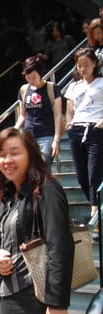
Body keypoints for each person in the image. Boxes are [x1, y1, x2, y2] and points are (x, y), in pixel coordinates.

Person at [0, 128, 74, 314]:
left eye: (15, 152)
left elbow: (59, 246)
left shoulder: (46, 189)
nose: (7, 160)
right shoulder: (5, 196)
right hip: (6, 298)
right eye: (2, 155)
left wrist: (57, 304)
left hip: (35, 299)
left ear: (31, 154)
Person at [64, 47, 103, 219]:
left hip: (95, 127)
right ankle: (95, 204)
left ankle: (95, 209)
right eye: (79, 65)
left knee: (94, 172)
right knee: (81, 175)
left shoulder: (101, 82)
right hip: (76, 129)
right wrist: (69, 123)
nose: (82, 68)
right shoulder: (73, 86)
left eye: (86, 64)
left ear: (94, 63)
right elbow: (70, 109)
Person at [15, 56, 63, 171]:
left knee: (43, 169)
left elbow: (57, 114)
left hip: (47, 135)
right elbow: (23, 114)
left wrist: (56, 139)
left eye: (34, 77)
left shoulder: (51, 88)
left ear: (41, 74)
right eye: (28, 77)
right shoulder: (23, 89)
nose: (31, 80)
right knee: (28, 170)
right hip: (28, 136)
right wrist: (15, 129)